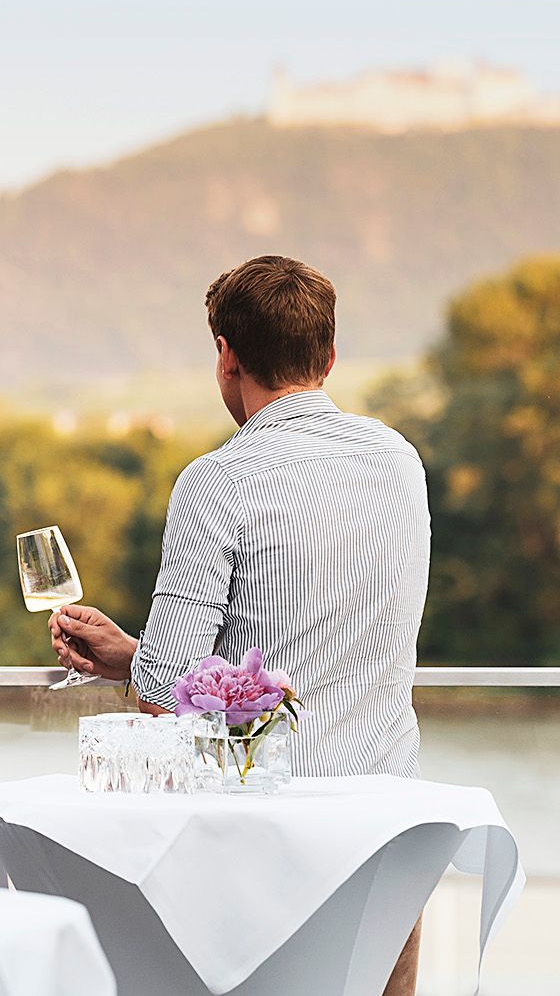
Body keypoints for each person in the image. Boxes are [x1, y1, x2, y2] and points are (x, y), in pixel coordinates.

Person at [47, 255, 431, 994]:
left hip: (267, 848)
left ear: (226, 355)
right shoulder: (399, 460)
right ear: (329, 356)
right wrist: (135, 654)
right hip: (388, 832)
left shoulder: (217, 481)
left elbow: (166, 698)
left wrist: (146, 665)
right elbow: (323, 639)